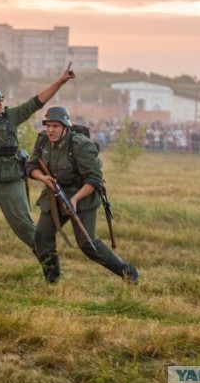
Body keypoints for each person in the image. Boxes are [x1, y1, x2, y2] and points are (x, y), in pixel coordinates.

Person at [0, 65, 76, 266]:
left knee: (23, 226)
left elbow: (36, 102)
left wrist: (60, 81)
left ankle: (50, 268)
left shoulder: (10, 118)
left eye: (0, 100)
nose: (0, 103)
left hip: (10, 177)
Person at [26, 106, 139, 284]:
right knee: (41, 236)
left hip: (82, 194)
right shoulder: (42, 141)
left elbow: (95, 179)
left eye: (55, 126)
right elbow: (30, 166)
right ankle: (52, 281)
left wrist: (75, 199)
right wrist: (44, 178)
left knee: (87, 244)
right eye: (48, 126)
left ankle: (128, 272)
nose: (50, 130)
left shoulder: (80, 144)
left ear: (65, 127)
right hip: (54, 191)